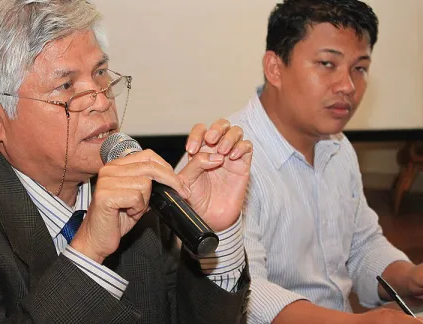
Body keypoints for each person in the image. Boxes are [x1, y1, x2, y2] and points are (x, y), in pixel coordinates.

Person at [0, 0, 253, 323]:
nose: (100, 100)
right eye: (66, 86)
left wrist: (217, 229)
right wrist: (89, 250)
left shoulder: (136, 189)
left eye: (101, 74)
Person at [175, 0, 423, 323]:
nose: (348, 86)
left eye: (359, 68)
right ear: (275, 69)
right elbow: (246, 295)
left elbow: (362, 246)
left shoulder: (338, 148)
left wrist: (410, 277)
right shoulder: (220, 161)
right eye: (327, 64)